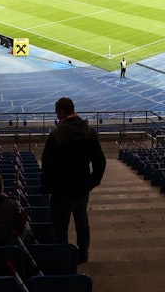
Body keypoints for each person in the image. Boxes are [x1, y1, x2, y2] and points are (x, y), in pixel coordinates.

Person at [40, 97, 106, 264]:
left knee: (60, 228)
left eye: (57, 114)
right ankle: (83, 255)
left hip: (60, 191)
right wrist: (93, 182)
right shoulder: (89, 131)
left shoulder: (56, 134)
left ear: (62, 112)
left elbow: (47, 164)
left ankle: (63, 257)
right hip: (81, 189)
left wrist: (46, 187)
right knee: (82, 223)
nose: (57, 117)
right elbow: (100, 161)